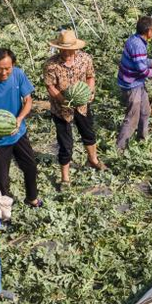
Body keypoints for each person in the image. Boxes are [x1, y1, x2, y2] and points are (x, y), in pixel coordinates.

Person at [0, 48, 43, 208]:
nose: (4, 72)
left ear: (13, 65)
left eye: (7, 68)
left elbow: (28, 100)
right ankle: (3, 211)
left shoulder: (18, 74)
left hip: (18, 133)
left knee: (30, 167)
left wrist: (19, 119)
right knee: (0, 178)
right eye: (0, 68)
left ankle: (31, 199)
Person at [42, 28, 104, 186]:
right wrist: (63, 99)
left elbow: (90, 77)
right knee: (66, 144)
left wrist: (88, 92)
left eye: (71, 50)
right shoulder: (51, 65)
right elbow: (50, 86)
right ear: (59, 48)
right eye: (64, 50)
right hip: (61, 109)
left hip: (82, 106)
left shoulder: (85, 59)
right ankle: (65, 178)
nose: (68, 53)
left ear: (76, 47)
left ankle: (93, 160)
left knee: (88, 133)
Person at [116, 16, 152, 153]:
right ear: (149, 31)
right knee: (132, 117)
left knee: (145, 111)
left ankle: (142, 139)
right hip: (132, 85)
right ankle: (120, 149)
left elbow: (139, 61)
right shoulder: (138, 45)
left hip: (137, 82)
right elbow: (143, 71)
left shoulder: (135, 39)